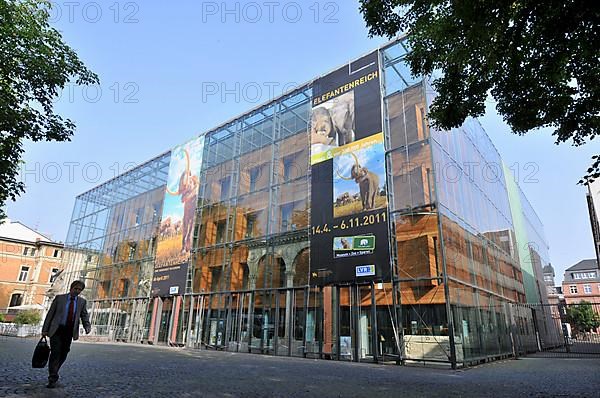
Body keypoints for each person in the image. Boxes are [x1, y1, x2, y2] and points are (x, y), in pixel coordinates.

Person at [42, 280, 91, 388]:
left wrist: (87, 326)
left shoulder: (82, 302)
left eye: (79, 290)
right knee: (55, 353)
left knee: (64, 352)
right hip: (57, 330)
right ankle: (52, 378)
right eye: (76, 289)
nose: (77, 291)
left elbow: (84, 315)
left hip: (69, 331)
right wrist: (45, 329)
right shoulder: (60, 299)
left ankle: (54, 371)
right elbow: (50, 314)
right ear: (71, 288)